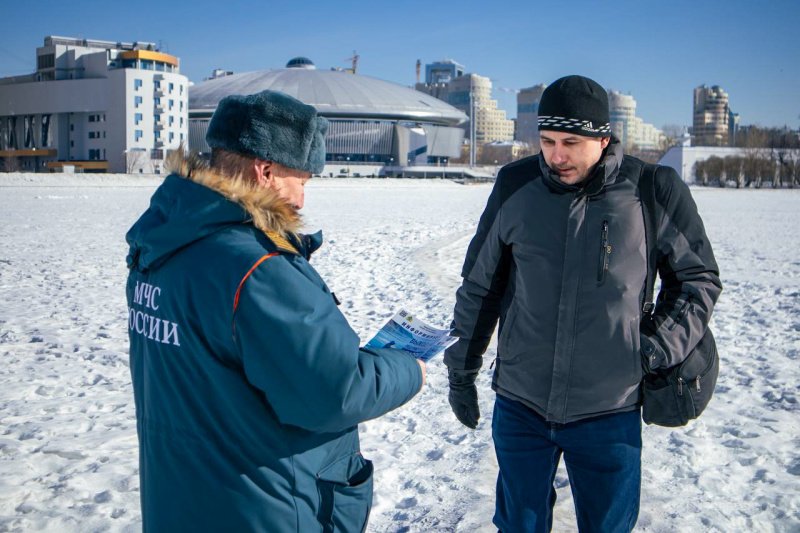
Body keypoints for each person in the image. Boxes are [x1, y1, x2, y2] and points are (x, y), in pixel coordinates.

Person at [125, 89, 425, 533]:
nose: (302, 199)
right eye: (301, 179)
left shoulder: (161, 246)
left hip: (181, 502)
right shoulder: (257, 268)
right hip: (264, 508)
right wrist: (408, 365)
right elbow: (333, 393)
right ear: (265, 171)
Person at [444, 75, 721, 532]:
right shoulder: (516, 185)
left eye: (571, 142)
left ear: (604, 138)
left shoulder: (652, 189)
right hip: (521, 404)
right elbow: (480, 287)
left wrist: (654, 347)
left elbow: (697, 280)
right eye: (547, 140)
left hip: (609, 410)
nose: (556, 155)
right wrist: (461, 371)